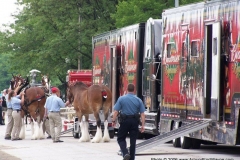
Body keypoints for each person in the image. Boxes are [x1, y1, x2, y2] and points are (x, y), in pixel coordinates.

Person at [112, 83, 145, 160]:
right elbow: (142, 114)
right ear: (134, 90)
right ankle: (132, 159)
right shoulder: (138, 100)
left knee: (120, 138)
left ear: (126, 89)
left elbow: (116, 111)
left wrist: (113, 121)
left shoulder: (121, 99)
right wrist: (143, 125)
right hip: (134, 122)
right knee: (133, 142)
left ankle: (125, 153)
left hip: (125, 121)